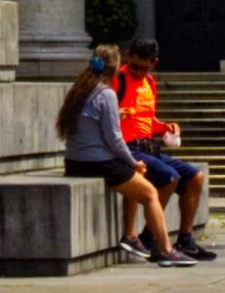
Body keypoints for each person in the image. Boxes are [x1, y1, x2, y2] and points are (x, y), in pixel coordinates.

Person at [59, 47, 183, 263]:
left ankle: (132, 235)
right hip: (97, 161)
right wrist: (133, 161)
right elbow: (114, 139)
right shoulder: (105, 94)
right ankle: (165, 251)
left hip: (74, 161)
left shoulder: (80, 90)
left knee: (135, 177)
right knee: (150, 194)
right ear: (115, 69)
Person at [117, 40, 215, 260]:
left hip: (149, 146)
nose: (141, 72)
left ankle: (186, 238)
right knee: (169, 178)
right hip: (128, 147)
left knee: (195, 178)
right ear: (128, 57)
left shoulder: (149, 82)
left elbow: (146, 120)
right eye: (136, 67)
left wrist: (164, 127)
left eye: (146, 68)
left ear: (154, 63)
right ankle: (150, 236)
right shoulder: (118, 80)